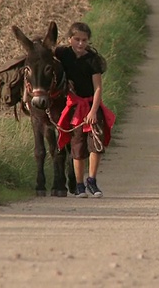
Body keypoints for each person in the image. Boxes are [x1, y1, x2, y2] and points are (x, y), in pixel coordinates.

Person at [55, 22, 112, 198]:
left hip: (90, 105)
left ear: (89, 41)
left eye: (84, 40)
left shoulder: (93, 60)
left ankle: (92, 181)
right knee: (77, 146)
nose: (80, 44)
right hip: (73, 107)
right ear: (69, 39)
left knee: (96, 143)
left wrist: (93, 112)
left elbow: (98, 89)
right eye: (77, 39)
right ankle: (79, 185)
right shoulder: (63, 54)